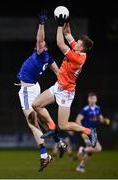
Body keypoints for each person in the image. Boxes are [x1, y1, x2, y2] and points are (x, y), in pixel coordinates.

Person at [32, 14, 97, 147]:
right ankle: (51, 128)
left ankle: (89, 131)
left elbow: (60, 43)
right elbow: (67, 33)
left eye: (78, 42)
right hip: (58, 86)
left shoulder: (78, 57)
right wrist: (66, 19)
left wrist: (59, 25)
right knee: (36, 105)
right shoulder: (77, 49)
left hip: (66, 92)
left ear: (82, 48)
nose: (75, 42)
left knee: (64, 125)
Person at [16, 10, 66, 172]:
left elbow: (40, 39)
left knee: (32, 123)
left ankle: (45, 156)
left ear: (44, 47)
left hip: (27, 90)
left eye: (41, 45)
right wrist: (67, 84)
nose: (38, 44)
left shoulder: (40, 53)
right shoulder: (48, 57)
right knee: (44, 120)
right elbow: (59, 73)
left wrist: (42, 23)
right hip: (34, 87)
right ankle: (60, 142)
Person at [75, 92, 110, 173]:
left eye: (94, 98)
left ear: (96, 99)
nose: (92, 100)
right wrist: (82, 129)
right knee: (98, 148)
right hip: (87, 131)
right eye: (91, 98)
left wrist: (105, 120)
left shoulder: (98, 108)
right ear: (88, 99)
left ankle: (80, 166)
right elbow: (77, 120)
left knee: (90, 151)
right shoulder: (85, 109)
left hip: (93, 132)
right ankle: (82, 150)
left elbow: (100, 119)